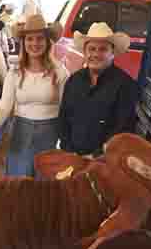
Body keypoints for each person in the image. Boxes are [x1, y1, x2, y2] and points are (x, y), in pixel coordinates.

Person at [0, 14, 68, 178]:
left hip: (50, 134)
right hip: (20, 132)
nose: (35, 43)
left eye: (40, 38)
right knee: (20, 185)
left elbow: (65, 111)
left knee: (44, 187)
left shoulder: (60, 72)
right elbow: (4, 109)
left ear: (48, 42)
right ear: (23, 42)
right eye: (30, 39)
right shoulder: (15, 72)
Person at [58, 22, 137, 156]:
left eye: (102, 49)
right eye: (92, 49)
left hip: (106, 161)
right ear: (85, 52)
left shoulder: (125, 85)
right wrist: (69, 151)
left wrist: (96, 155)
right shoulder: (73, 81)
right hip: (72, 157)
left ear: (112, 53)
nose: (96, 54)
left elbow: (123, 129)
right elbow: (63, 119)